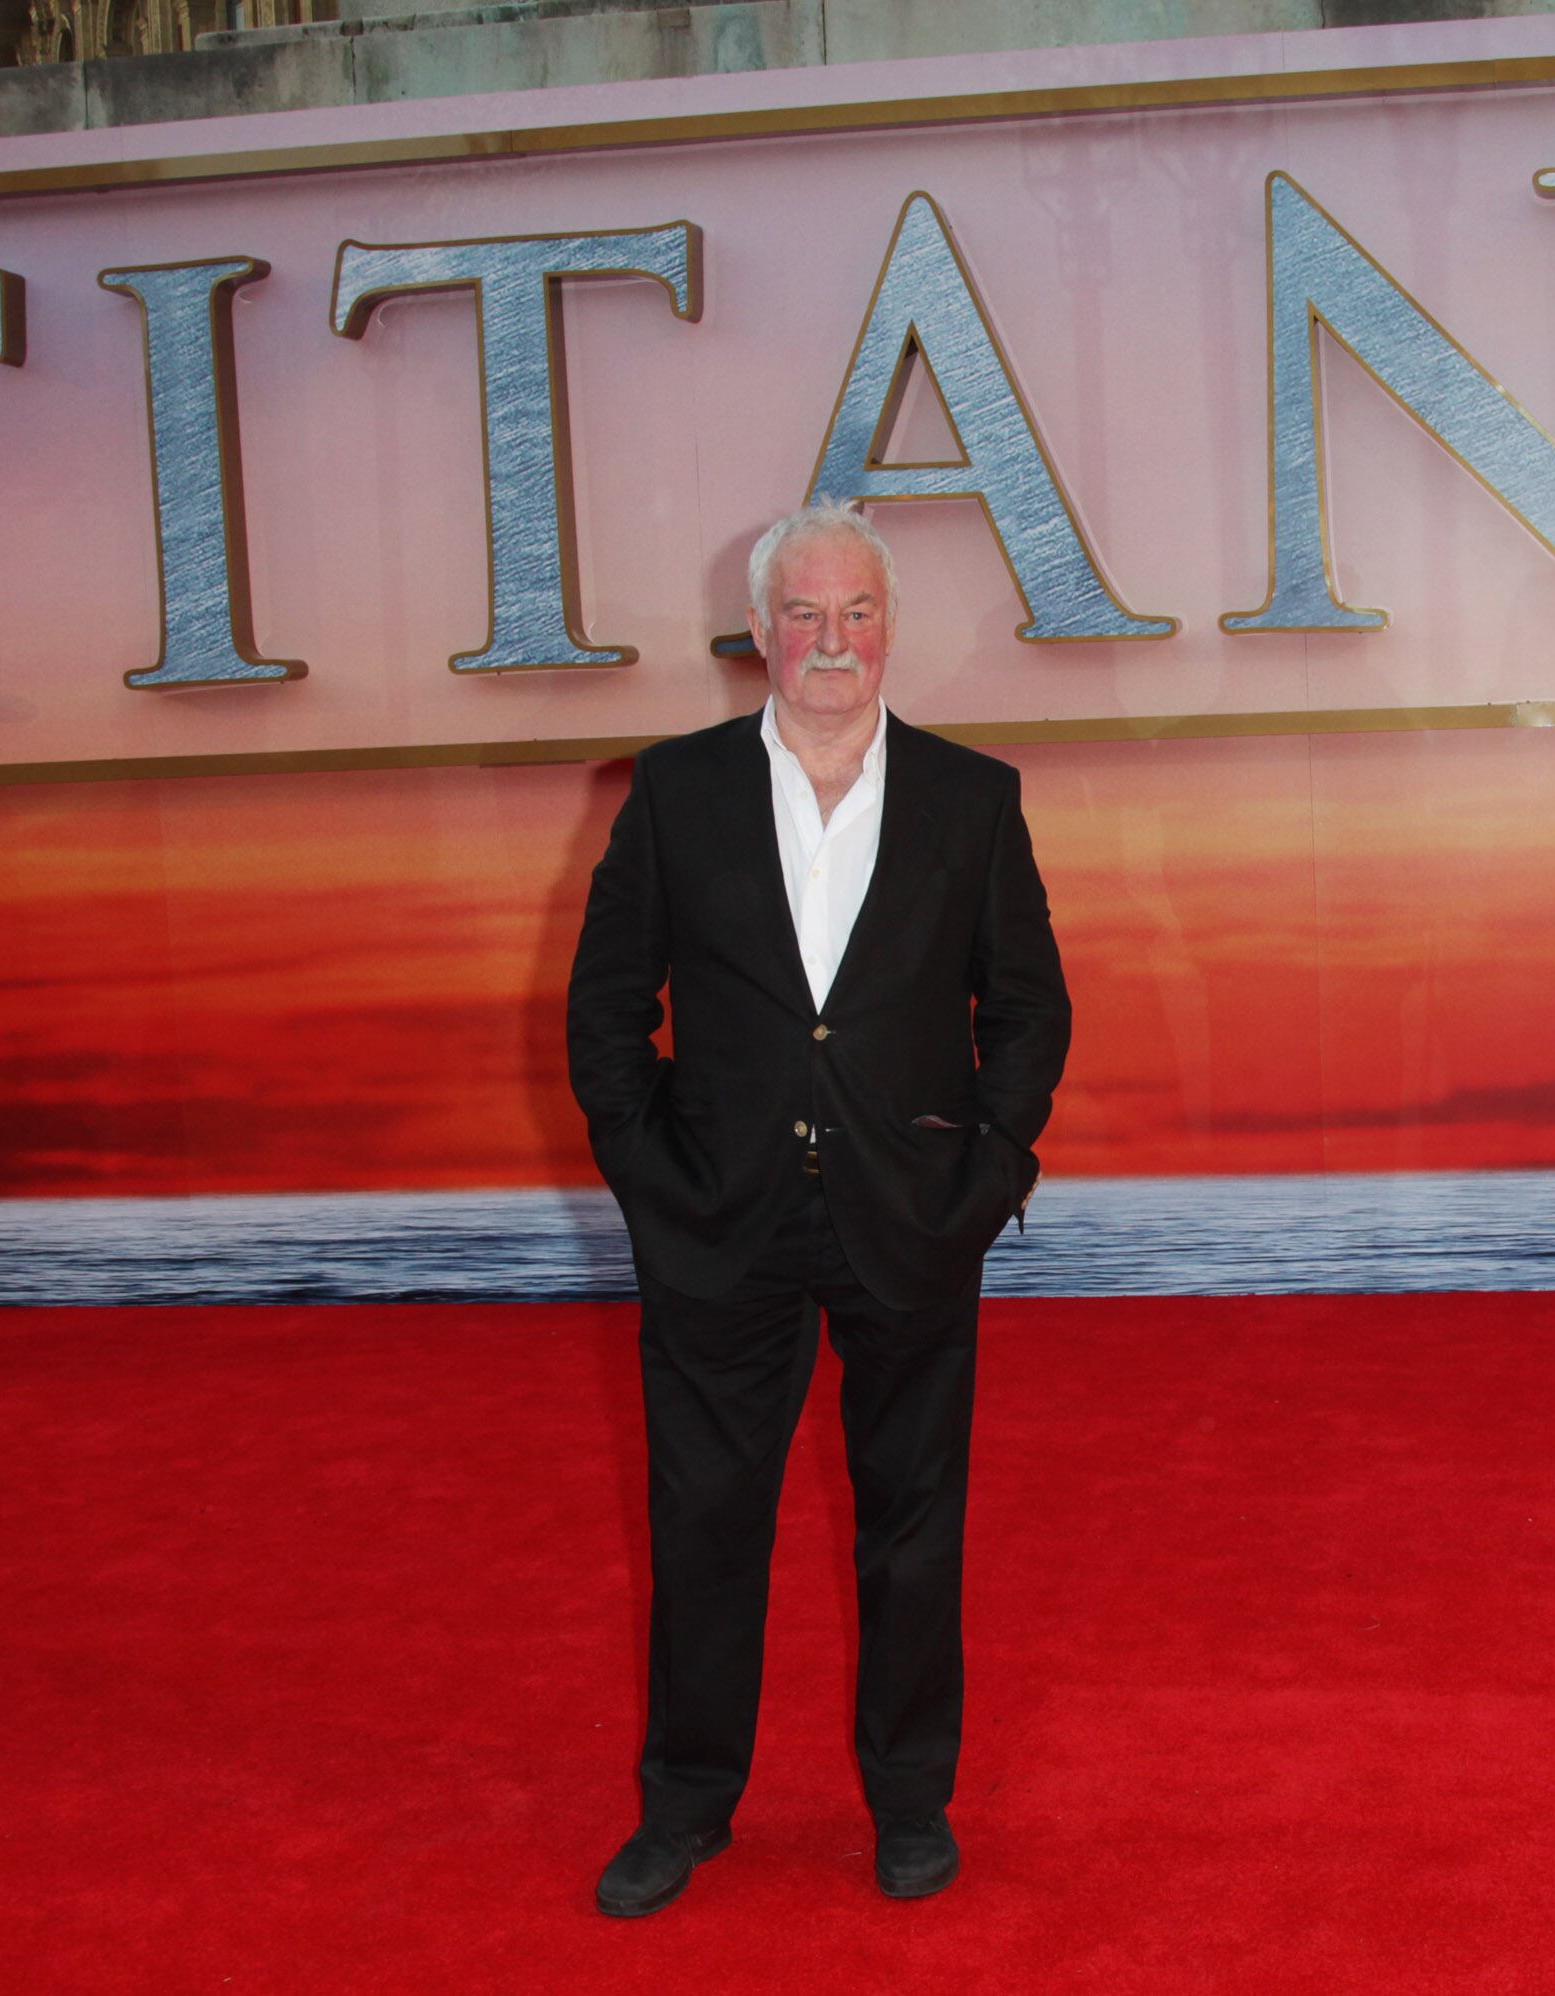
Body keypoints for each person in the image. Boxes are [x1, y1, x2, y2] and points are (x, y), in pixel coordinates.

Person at [565, 501, 1071, 1915]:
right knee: (705, 1518)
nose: (830, 641)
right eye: (804, 614)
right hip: (720, 1223)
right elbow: (607, 1013)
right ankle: (686, 1807)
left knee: (912, 1524)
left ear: (888, 629)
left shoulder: (974, 799)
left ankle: (910, 1802)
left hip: (910, 1219)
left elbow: (1027, 1013)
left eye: (855, 614)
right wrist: (655, 1181)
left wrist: (986, 1177)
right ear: (761, 635)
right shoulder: (677, 792)